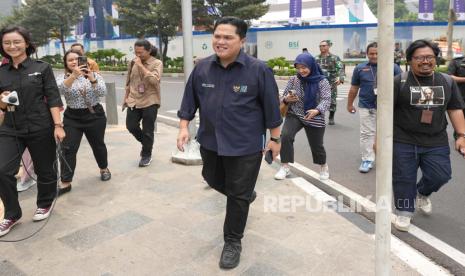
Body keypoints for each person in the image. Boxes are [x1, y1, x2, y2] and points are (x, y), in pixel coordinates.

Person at [177, 17, 282, 269]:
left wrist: (276, 139)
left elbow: (272, 109)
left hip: (245, 146)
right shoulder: (202, 68)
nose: (220, 41)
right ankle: (244, 195)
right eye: (217, 36)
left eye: (228, 37)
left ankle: (233, 241)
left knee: (236, 196)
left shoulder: (259, 70)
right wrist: (183, 127)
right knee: (211, 178)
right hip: (211, 141)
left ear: (242, 41)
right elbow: (189, 101)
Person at [392, 39, 465, 231]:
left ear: (436, 59)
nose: (425, 61)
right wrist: (378, 139)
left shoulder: (447, 81)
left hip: (436, 140)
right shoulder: (399, 82)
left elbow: (455, 109)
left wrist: (461, 135)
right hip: (403, 139)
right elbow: (384, 112)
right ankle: (404, 212)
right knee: (403, 177)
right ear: (409, 60)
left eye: (430, 57)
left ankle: (422, 193)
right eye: (419, 58)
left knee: (441, 175)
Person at [0, 26, 65, 237]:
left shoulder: (42, 68)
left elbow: (53, 98)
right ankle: (11, 214)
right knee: (2, 170)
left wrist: (58, 126)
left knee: (45, 169)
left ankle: (44, 203)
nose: (12, 46)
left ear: (26, 43)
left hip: (40, 126)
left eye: (17, 42)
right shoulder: (0, 72)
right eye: (7, 43)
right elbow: (1, 106)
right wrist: (2, 101)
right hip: (11, 128)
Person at [55, 49, 111, 196]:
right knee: (68, 148)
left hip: (94, 115)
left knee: (98, 145)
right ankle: (66, 182)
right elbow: (60, 90)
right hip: (72, 117)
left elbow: (102, 93)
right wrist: (73, 76)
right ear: (66, 63)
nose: (74, 62)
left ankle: (104, 168)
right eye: (70, 60)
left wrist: (92, 78)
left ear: (84, 60)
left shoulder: (95, 75)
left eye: (77, 59)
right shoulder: (62, 77)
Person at [274, 53, 331, 181]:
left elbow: (326, 100)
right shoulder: (294, 80)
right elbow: (283, 97)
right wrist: (287, 99)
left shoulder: (322, 81)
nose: (301, 70)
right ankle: (285, 167)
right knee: (286, 136)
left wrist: (317, 110)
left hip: (314, 115)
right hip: (295, 113)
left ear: (311, 65)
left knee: (316, 145)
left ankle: (323, 166)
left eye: (304, 67)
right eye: (298, 67)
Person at [347, 42, 402, 173]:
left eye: (377, 53)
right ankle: (367, 159)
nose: (374, 55)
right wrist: (349, 104)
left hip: (388, 108)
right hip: (366, 106)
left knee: (388, 134)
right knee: (366, 134)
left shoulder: (393, 67)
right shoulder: (360, 68)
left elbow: (402, 86)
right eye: (371, 53)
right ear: (367, 54)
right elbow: (354, 88)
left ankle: (389, 160)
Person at [122, 40, 163, 167]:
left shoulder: (157, 63)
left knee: (148, 130)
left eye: (141, 52)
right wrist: (125, 99)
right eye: (136, 52)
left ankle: (146, 155)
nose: (138, 55)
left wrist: (140, 66)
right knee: (131, 126)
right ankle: (147, 144)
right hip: (134, 100)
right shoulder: (132, 62)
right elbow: (128, 82)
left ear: (149, 51)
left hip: (150, 100)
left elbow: (154, 81)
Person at [315, 40, 345, 125]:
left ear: (328, 46)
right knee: (318, 100)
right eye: (320, 46)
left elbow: (340, 68)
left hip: (331, 84)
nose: (322, 47)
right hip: (319, 84)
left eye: (324, 46)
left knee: (332, 101)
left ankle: (331, 117)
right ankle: (319, 116)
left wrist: (340, 77)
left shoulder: (335, 58)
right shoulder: (316, 58)